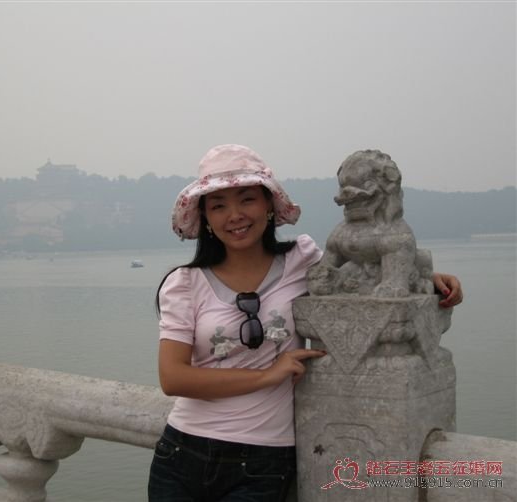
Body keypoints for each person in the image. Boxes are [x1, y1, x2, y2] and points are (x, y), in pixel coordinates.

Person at [148, 144, 463, 502]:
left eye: (247, 199)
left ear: (269, 205)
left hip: (263, 461)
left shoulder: (301, 260)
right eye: (218, 206)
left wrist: (426, 278)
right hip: (182, 454)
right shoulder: (184, 283)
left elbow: (361, 274)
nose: (234, 215)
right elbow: (173, 378)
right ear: (205, 217)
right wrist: (268, 375)